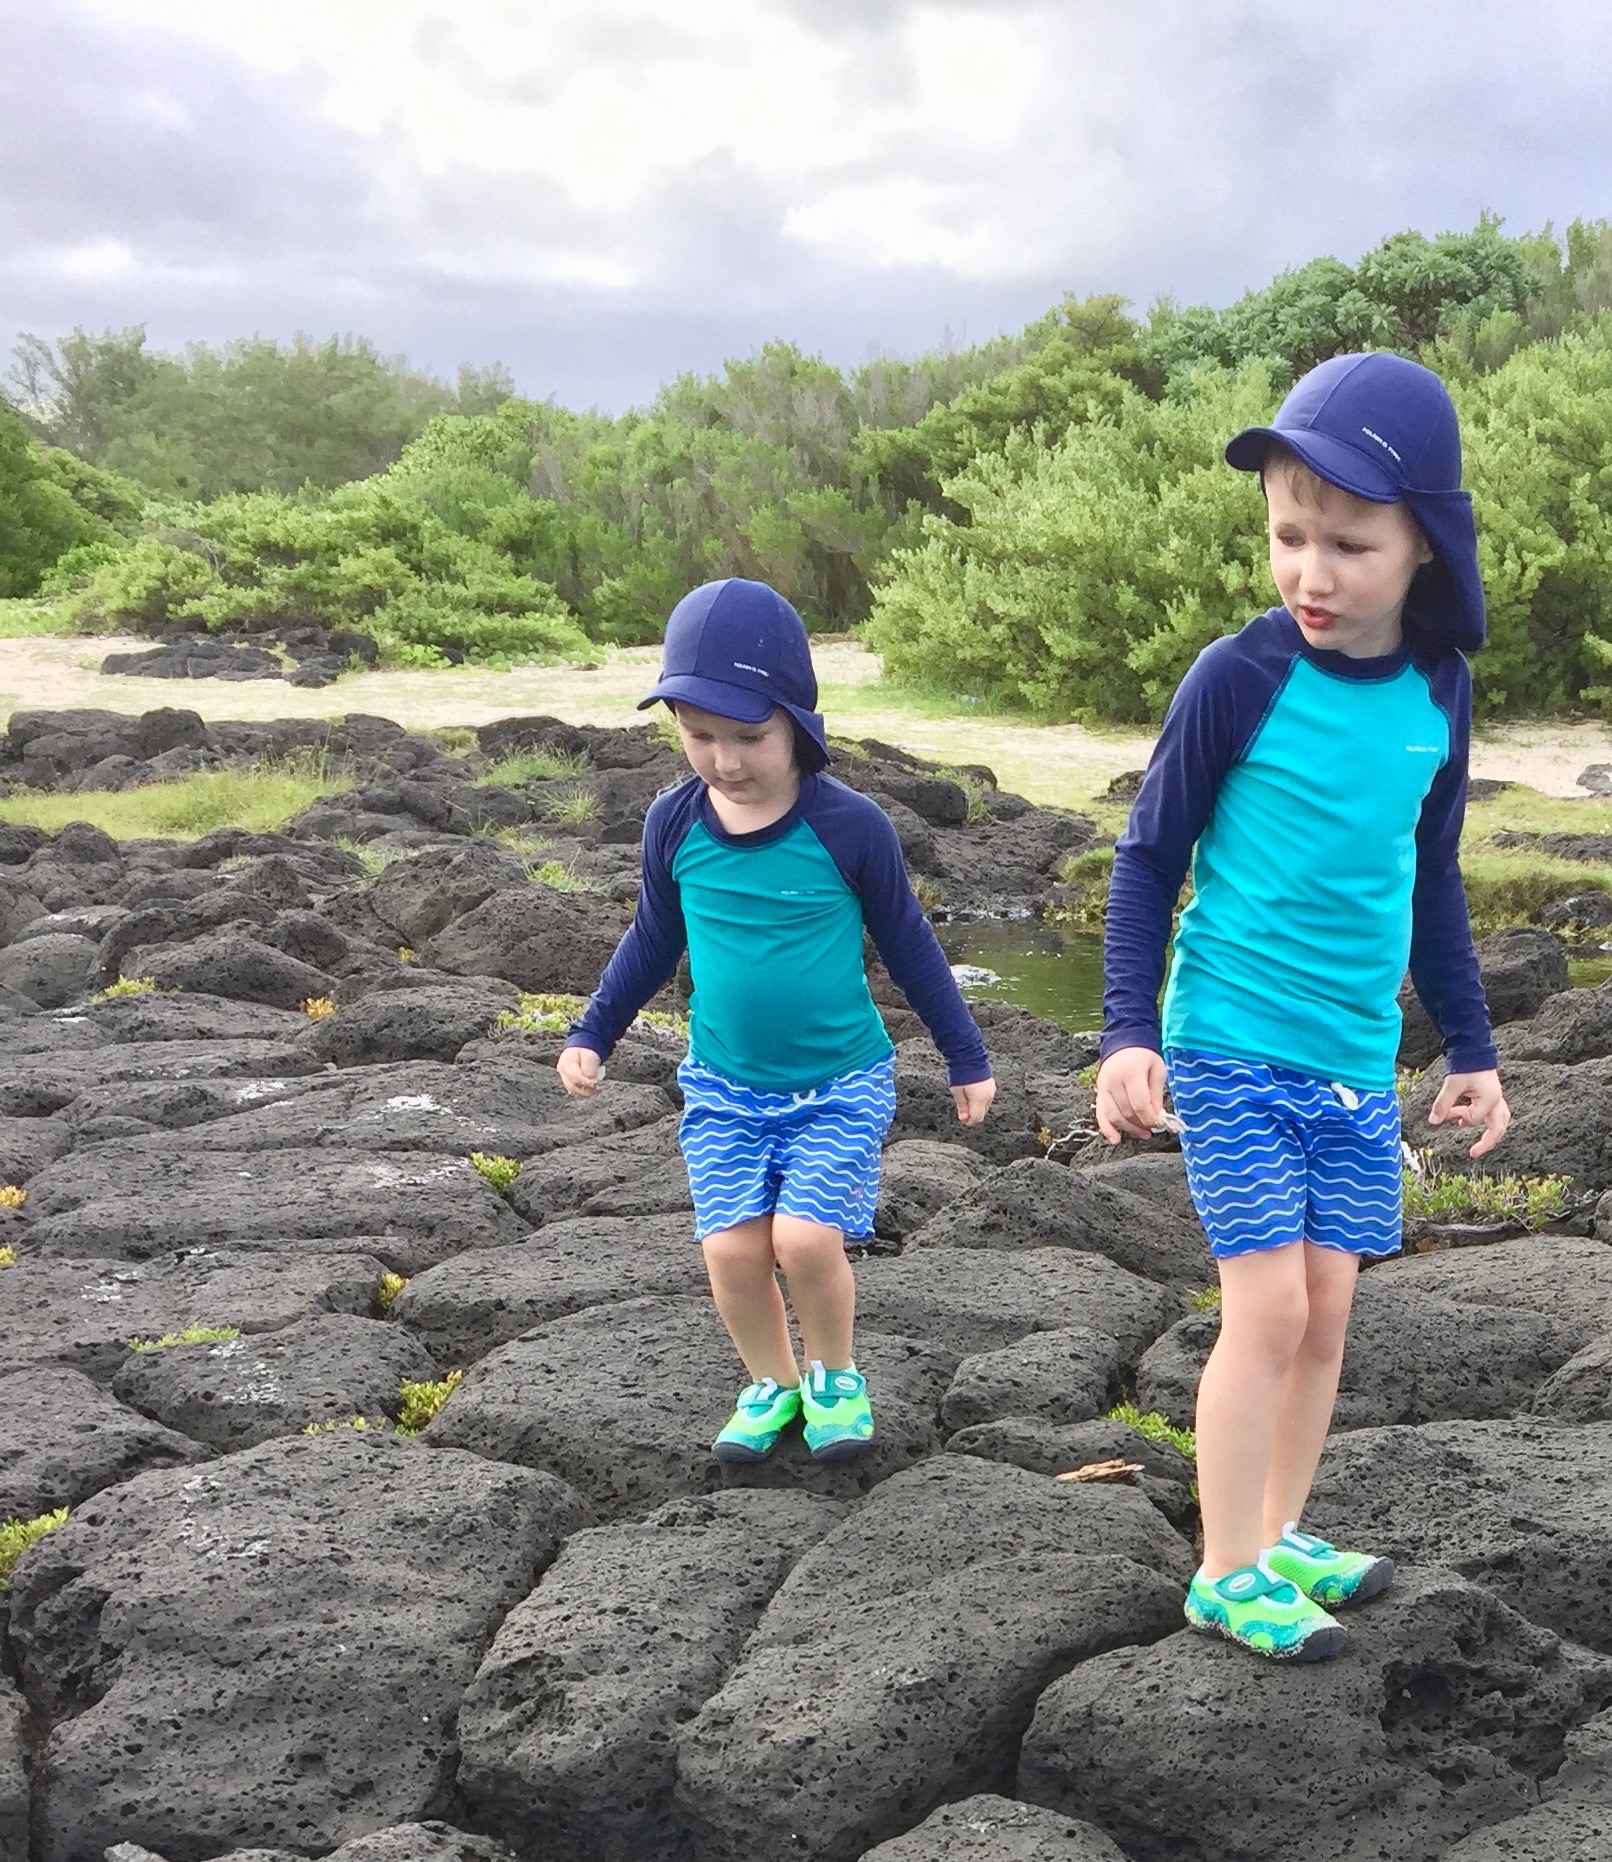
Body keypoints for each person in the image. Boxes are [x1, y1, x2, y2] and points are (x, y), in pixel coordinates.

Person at [1096, 350, 1509, 1662]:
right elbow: (1148, 856)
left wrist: (1473, 1048)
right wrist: (1127, 1031)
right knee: (1267, 1309)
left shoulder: (1437, 694)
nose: (1311, 574)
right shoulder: (1238, 676)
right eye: (1288, 537)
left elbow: (1428, 877)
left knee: (1328, 1310)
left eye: (1349, 543)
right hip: (1230, 1046)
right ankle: (1224, 1571)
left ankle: (1274, 1534)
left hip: (1351, 1063)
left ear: (1423, 549)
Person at [558, 576, 995, 1465]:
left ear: (798, 719)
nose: (723, 759)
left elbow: (910, 944)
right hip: (721, 1086)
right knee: (730, 1251)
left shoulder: (849, 826)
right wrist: (593, 1032)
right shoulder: (673, 823)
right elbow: (652, 936)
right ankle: (773, 1382)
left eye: (749, 736)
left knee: (802, 1238)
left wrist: (965, 1054)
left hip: (840, 1083)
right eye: (698, 734)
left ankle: (835, 1374)